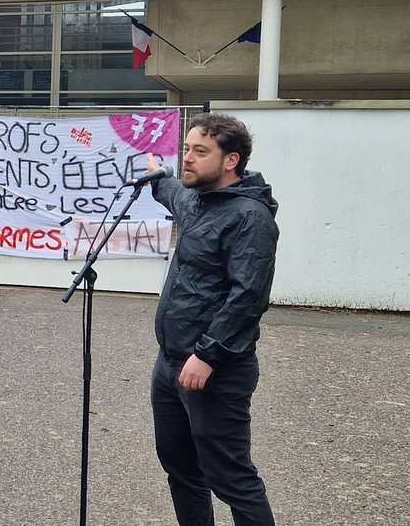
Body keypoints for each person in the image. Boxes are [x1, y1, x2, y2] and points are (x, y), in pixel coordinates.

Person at [143, 112, 279, 526]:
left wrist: (208, 354)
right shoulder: (197, 200)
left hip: (214, 369)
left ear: (230, 161)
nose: (187, 158)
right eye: (186, 148)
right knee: (182, 471)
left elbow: (248, 297)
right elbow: (171, 192)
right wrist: (155, 176)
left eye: (200, 152)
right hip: (169, 364)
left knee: (232, 478)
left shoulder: (249, 218)